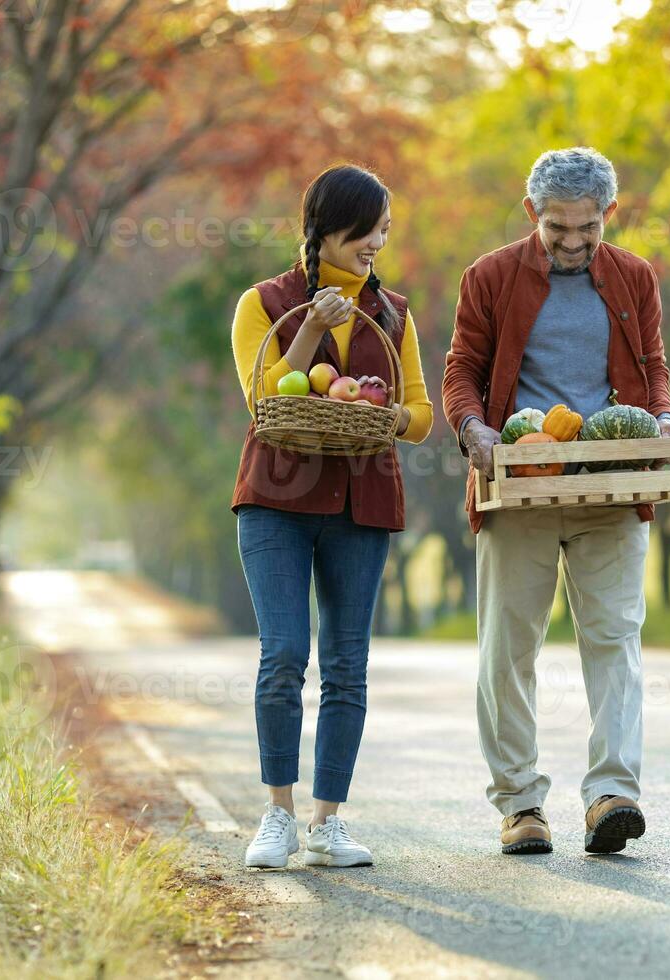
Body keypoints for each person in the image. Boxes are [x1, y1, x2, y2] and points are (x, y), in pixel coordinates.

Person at [442, 147, 670, 855]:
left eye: (587, 230)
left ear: (610, 213)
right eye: (556, 230)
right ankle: (520, 805)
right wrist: (473, 426)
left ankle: (612, 794)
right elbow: (463, 368)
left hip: (612, 483)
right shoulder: (489, 276)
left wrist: (661, 418)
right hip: (520, 486)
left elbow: (654, 366)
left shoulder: (634, 277)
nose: (573, 245)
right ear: (531, 215)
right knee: (508, 649)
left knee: (615, 641)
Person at [229, 164, 433, 869]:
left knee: (347, 665)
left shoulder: (393, 311)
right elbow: (267, 398)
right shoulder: (264, 304)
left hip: (361, 500)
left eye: (384, 228)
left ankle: (327, 823)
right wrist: (312, 330)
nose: (379, 239)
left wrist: (382, 412)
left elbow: (421, 417)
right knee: (284, 653)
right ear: (327, 229)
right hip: (276, 503)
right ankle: (277, 815)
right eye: (368, 227)